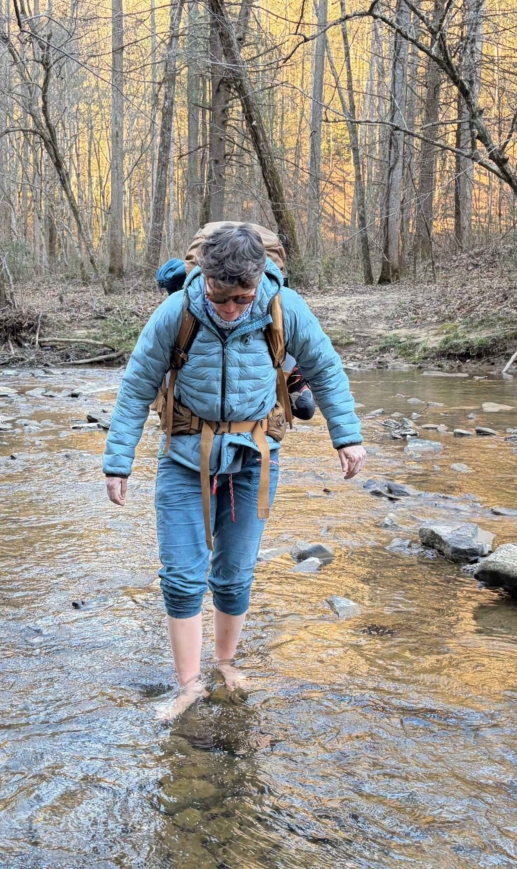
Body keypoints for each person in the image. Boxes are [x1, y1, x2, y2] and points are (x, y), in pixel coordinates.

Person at [105, 222, 366, 721]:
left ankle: (225, 663)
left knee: (234, 576)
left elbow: (327, 370)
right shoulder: (176, 312)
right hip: (183, 459)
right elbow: (137, 383)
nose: (229, 310)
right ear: (204, 278)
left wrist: (347, 435)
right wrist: (118, 461)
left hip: (254, 459)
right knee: (182, 578)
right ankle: (188, 685)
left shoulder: (285, 310)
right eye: (220, 297)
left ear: (259, 279)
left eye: (240, 299)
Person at [156, 258, 318, 422]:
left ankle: (290, 379)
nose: (230, 307)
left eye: (242, 298)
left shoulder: (281, 305)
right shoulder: (179, 308)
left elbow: (325, 365)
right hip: (192, 422)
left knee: (305, 407)